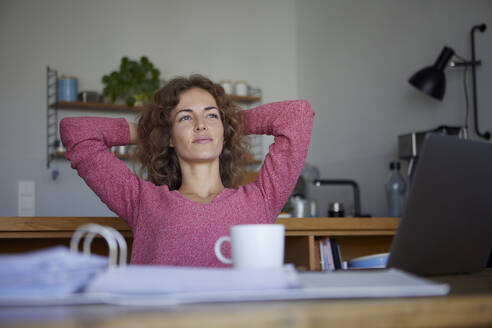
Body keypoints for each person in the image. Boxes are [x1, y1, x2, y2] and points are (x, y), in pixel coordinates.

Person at [60, 74, 314, 267]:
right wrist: (153, 131)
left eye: (211, 116)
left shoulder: (262, 199)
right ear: (169, 136)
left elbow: (296, 114)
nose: (201, 125)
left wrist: (229, 124)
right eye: (185, 117)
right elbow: (76, 132)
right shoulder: (142, 201)